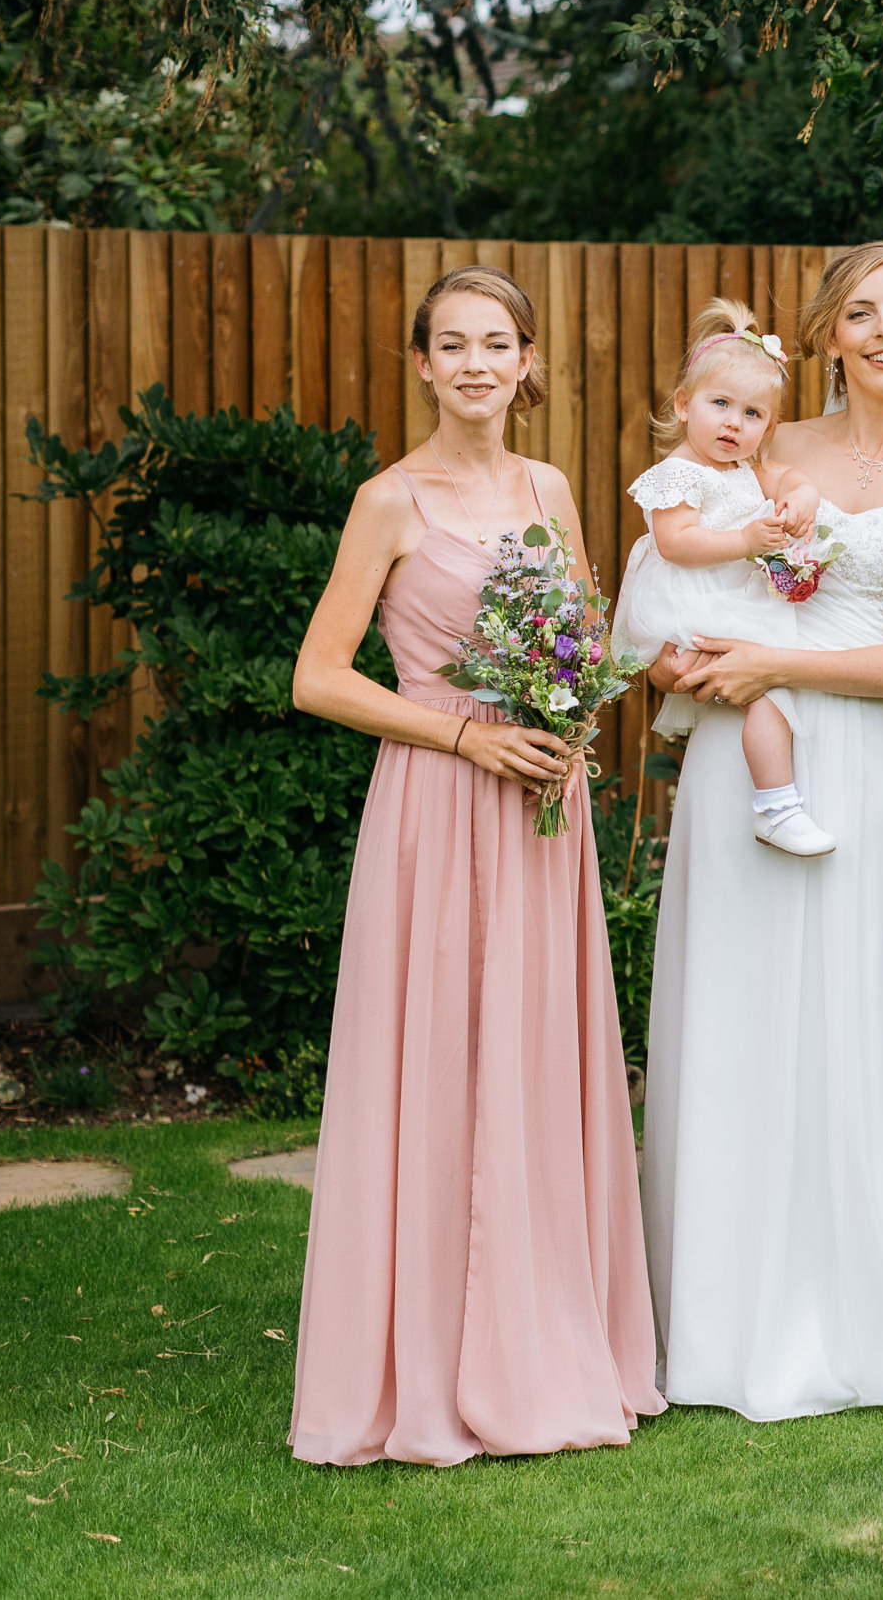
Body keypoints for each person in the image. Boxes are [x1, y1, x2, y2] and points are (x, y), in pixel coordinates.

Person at [637, 241, 883, 1420]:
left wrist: (776, 658)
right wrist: (677, 652)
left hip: (860, 759)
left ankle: (875, 1305)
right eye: (860, 312)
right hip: (741, 745)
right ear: (827, 335)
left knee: (861, 1011)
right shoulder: (765, 442)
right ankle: (721, 1318)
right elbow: (681, 574)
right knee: (740, 1006)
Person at [285, 265, 664, 1465]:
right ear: (421, 364)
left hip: (541, 807)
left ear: (525, 359)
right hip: (439, 803)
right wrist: (464, 732)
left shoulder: (550, 487)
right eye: (451, 346)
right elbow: (320, 676)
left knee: (536, 1064)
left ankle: (546, 1338)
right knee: (440, 1058)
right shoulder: (388, 501)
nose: (475, 366)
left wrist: (565, 722)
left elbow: (585, 638)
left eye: (495, 344)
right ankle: (431, 1357)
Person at [615, 297, 833, 856]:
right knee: (764, 692)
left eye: (753, 414)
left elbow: (790, 477)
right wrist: (743, 541)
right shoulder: (676, 474)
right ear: (685, 404)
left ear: (769, 426)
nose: (734, 423)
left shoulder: (746, 469)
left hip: (730, 600)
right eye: (720, 404)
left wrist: (801, 498)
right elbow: (676, 543)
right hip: (691, 599)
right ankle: (777, 806)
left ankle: (774, 801)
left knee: (766, 689)